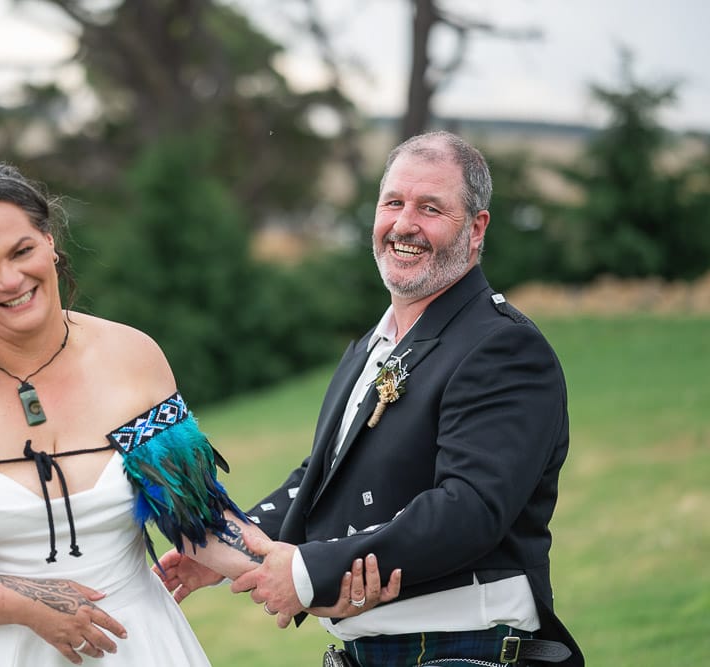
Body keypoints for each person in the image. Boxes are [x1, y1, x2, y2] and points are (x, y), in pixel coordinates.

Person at [0, 160, 382, 666]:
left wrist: (297, 571)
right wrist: (30, 606)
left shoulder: (134, 358)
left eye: (21, 251)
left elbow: (196, 524)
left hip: (136, 645)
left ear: (50, 242)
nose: (10, 281)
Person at [158, 131, 585, 667]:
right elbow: (325, 476)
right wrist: (232, 551)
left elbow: (469, 510)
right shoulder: (371, 346)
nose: (405, 224)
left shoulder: (503, 346)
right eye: (393, 203)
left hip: (466, 653)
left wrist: (310, 572)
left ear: (476, 229)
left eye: (431, 208)